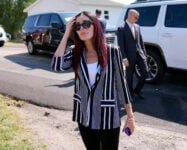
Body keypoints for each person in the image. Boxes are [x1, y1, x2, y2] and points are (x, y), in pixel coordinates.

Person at [51, 11, 135, 150]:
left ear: (95, 25)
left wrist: (130, 116)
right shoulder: (75, 53)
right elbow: (56, 65)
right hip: (85, 117)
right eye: (77, 26)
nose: (82, 28)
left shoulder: (112, 52)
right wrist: (67, 32)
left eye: (86, 24)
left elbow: (122, 85)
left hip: (108, 117)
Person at [117, 9, 148, 102]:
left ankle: (136, 91)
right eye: (136, 17)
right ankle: (130, 94)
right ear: (130, 16)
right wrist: (124, 58)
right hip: (129, 57)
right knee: (129, 76)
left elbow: (141, 41)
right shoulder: (121, 28)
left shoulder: (137, 26)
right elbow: (121, 45)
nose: (137, 19)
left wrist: (145, 54)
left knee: (145, 73)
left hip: (140, 55)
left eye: (137, 17)